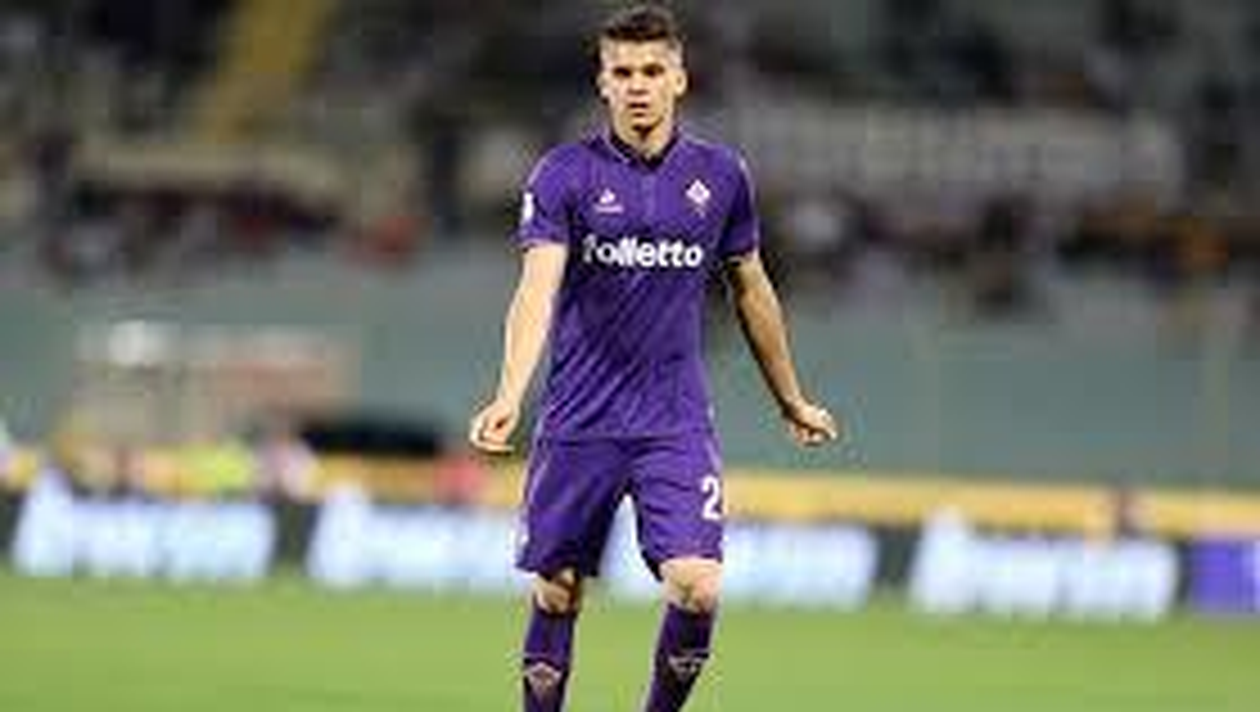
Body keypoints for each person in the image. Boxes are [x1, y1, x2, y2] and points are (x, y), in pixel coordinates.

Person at [468, 5, 840, 711]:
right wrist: (509, 394)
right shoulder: (564, 174)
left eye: (651, 71)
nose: (637, 85)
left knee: (698, 586)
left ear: (679, 79)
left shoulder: (721, 177)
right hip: (579, 420)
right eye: (623, 72)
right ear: (602, 82)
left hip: (675, 422)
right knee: (558, 589)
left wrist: (790, 398)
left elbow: (751, 288)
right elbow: (536, 289)